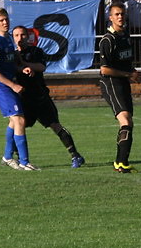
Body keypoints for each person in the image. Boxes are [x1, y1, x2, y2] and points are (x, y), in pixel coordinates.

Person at [13, 25, 86, 168]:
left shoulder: (36, 51)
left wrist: (25, 64)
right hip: (24, 99)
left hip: (40, 97)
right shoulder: (12, 55)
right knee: (17, 126)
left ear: (28, 37)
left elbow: (41, 67)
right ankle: (14, 157)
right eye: (16, 35)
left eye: (22, 35)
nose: (19, 38)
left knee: (55, 125)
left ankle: (75, 155)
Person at [100, 3, 141, 173]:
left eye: (122, 14)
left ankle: (120, 162)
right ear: (111, 18)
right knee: (126, 121)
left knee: (128, 123)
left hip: (123, 82)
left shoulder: (125, 36)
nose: (120, 17)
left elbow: (126, 63)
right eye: (117, 14)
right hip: (111, 83)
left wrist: (137, 73)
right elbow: (104, 69)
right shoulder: (108, 40)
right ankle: (122, 163)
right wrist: (129, 75)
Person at [0, 8, 38, 171]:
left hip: (8, 84)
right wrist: (13, 85)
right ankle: (24, 162)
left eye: (6, 19)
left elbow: (14, 60)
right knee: (19, 120)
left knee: (13, 121)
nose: (5, 22)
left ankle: (8, 157)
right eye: (1, 20)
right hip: (0, 86)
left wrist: (22, 68)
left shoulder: (8, 39)